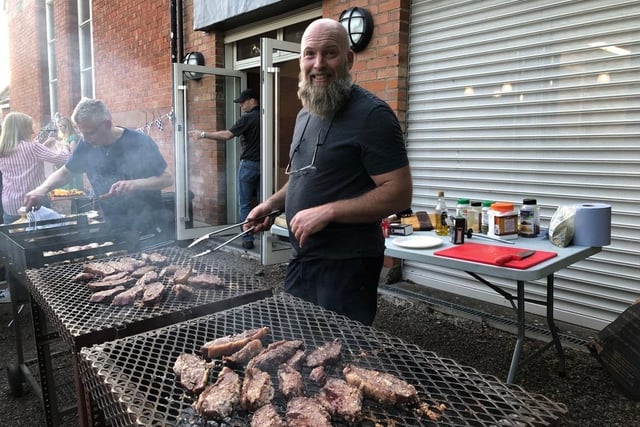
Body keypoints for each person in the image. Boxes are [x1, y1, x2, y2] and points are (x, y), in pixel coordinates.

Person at [244, 19, 412, 325]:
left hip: (347, 264)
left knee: (338, 355)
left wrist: (328, 211)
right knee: (294, 343)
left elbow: (399, 192)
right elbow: (303, 178)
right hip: (304, 259)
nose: (318, 64)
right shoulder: (305, 113)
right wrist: (271, 205)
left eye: (329, 53)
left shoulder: (372, 115)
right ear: (301, 61)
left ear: (348, 59)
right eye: (310, 54)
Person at [24, 98, 173, 238]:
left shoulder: (139, 142)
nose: (85, 139)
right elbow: (66, 172)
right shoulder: (85, 144)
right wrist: (42, 189)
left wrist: (134, 184)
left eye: (89, 133)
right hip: (114, 224)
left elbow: (167, 179)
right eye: (81, 133)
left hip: (150, 225)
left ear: (107, 125)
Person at [189, 88, 261, 250]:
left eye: (243, 102)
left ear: (252, 100)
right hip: (265, 165)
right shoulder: (267, 116)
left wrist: (203, 134)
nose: (241, 106)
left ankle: (247, 238)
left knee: (244, 204)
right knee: (264, 202)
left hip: (249, 165)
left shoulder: (248, 118)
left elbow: (226, 135)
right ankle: (265, 235)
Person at [0, 112, 71, 224]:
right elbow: (62, 158)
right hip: (34, 203)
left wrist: (43, 146)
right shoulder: (32, 147)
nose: (33, 132)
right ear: (21, 129)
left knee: (14, 238)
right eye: (29, 128)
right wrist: (65, 147)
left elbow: (24, 158)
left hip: (10, 206)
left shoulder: (2, 150)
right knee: (41, 239)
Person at [53, 116, 84, 190]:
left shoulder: (72, 137)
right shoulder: (65, 137)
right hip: (66, 165)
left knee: (74, 190)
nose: (59, 128)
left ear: (66, 127)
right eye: (58, 126)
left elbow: (73, 153)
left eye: (61, 126)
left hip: (73, 167)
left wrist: (65, 147)